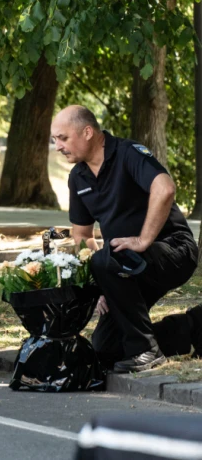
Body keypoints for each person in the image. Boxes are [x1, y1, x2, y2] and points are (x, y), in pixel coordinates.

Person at [53, 105, 201, 373]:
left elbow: (165, 187)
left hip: (172, 251)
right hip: (124, 264)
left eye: (62, 138)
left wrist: (143, 240)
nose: (57, 147)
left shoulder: (127, 153)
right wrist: (102, 285)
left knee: (109, 257)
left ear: (87, 132)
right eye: (55, 140)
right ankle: (193, 326)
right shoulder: (78, 177)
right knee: (105, 348)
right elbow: (82, 235)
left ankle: (145, 350)